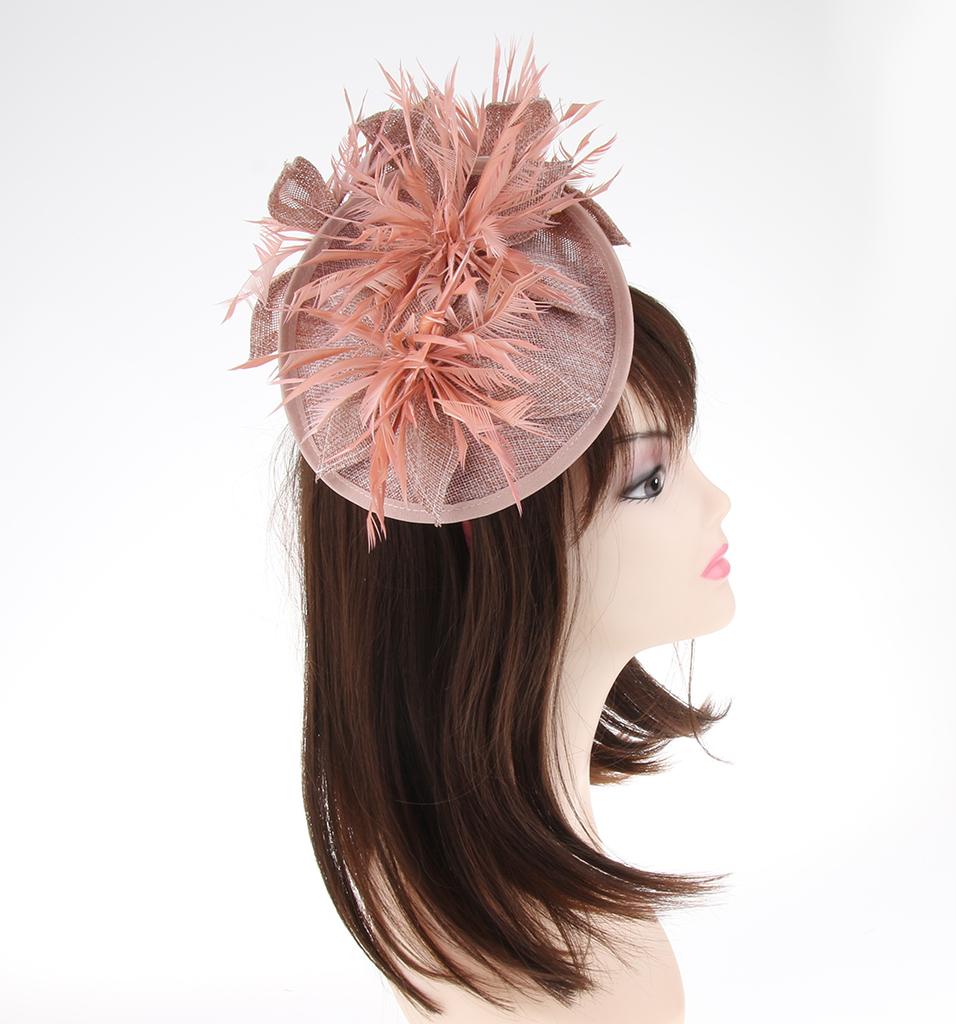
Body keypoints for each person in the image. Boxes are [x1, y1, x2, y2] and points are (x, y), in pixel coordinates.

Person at [225, 38, 735, 1023]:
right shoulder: (598, 981)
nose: (717, 503)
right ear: (493, 550)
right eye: (649, 480)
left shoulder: (452, 913)